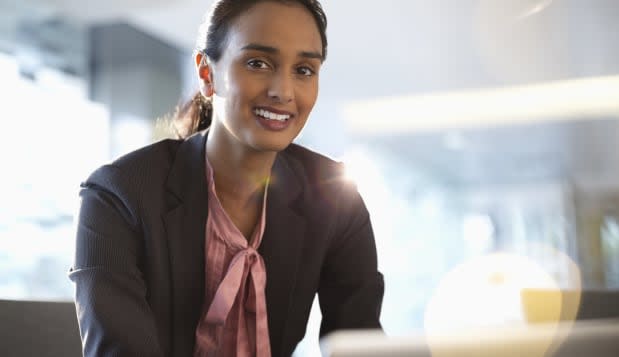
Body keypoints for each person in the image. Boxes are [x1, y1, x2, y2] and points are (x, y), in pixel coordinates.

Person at [69, 0, 384, 356]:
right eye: (257, 63)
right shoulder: (118, 196)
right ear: (207, 73)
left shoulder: (334, 199)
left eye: (304, 70)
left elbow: (362, 343)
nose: (283, 91)